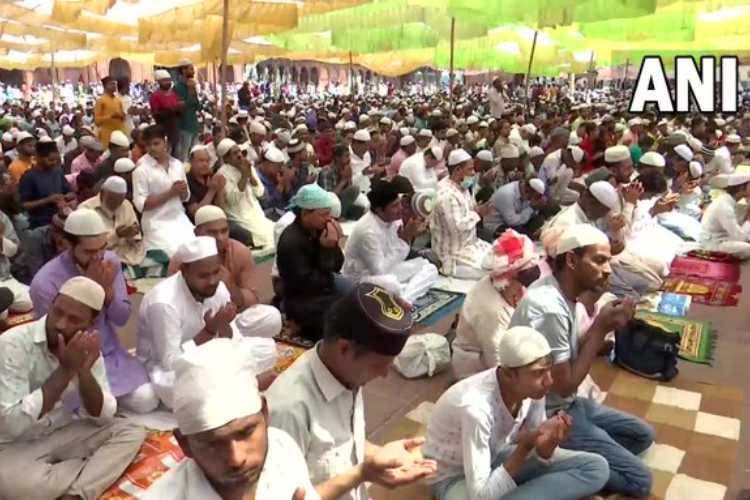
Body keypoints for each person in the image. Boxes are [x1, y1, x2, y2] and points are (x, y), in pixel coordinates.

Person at [510, 224, 655, 498]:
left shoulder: (564, 294)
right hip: (551, 413)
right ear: (572, 260)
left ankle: (570, 453)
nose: (608, 269)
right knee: (640, 480)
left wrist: (600, 319)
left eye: (608, 261)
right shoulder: (549, 308)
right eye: (599, 260)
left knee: (643, 435)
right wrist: (601, 327)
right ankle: (557, 461)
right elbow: (563, 386)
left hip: (572, 403)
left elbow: (573, 354)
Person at [266, 283, 437, 500]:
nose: (385, 374)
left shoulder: (346, 374)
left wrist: (380, 455)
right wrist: (362, 474)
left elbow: (340, 444)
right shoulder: (288, 411)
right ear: (344, 348)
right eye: (378, 365)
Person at [0, 276, 147, 499]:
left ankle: (75, 493)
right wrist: (66, 371)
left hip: (64, 430)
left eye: (73, 319)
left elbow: (104, 416)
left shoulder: (84, 345)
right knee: (9, 484)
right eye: (58, 312)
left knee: (131, 431)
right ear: (51, 305)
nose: (60, 324)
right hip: (16, 445)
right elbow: (12, 424)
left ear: (92, 323)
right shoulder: (12, 343)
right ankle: (88, 474)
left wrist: (83, 372)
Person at [425, 326, 609, 500]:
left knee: (596, 468)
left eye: (548, 371)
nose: (549, 381)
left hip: (496, 456)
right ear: (508, 375)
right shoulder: (476, 409)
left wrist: (546, 449)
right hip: (454, 478)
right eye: (538, 373)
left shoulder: (534, 390)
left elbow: (537, 443)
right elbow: (481, 496)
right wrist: (525, 449)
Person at [141, 339, 319, 500]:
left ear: (265, 414)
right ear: (184, 444)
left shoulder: (282, 448)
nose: (236, 459)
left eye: (246, 432)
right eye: (212, 443)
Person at [31, 208, 158, 413]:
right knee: (101, 410)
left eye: (102, 248)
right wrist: (90, 291)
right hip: (71, 363)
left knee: (147, 401)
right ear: (68, 245)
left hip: (109, 354)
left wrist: (107, 294)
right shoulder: (44, 283)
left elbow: (121, 319)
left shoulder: (110, 262)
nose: (98, 257)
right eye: (89, 251)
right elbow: (55, 339)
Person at [137, 236, 276, 408]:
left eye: (216, 272)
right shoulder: (163, 303)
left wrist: (224, 326)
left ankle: (229, 386)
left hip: (210, 352)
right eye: (203, 276)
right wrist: (208, 332)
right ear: (184, 271)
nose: (212, 281)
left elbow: (234, 341)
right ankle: (244, 384)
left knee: (267, 348)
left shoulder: (217, 287)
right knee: (180, 385)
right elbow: (170, 363)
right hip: (169, 367)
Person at [168, 205, 282, 339]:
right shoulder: (183, 259)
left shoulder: (240, 252)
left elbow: (252, 301)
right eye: (212, 232)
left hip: (231, 316)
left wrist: (229, 285)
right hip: (196, 320)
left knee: (271, 316)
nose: (220, 238)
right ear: (197, 233)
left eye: (224, 231)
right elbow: (173, 303)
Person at [451, 230, 541, 380]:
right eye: (524, 278)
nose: (525, 287)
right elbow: (497, 360)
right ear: (508, 280)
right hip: (477, 369)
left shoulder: (499, 287)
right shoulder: (492, 311)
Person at [342, 179, 438, 302]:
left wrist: (406, 237)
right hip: (362, 278)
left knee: (428, 267)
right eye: (394, 206)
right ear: (379, 210)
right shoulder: (367, 231)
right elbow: (379, 271)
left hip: (386, 269)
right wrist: (404, 239)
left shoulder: (393, 220)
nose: (400, 209)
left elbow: (395, 256)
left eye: (399, 204)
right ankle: (403, 294)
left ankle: (405, 299)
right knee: (391, 283)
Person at [277, 183, 351, 340]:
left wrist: (333, 245)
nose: (328, 219)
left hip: (323, 286)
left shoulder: (319, 229)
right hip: (301, 298)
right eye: (323, 214)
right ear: (305, 214)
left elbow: (337, 266)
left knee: (356, 297)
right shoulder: (291, 241)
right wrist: (325, 249)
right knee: (342, 314)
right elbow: (307, 284)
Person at [132, 124, 195, 258]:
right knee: (174, 253)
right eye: (148, 145)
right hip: (156, 222)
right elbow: (141, 205)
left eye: (156, 143)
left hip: (179, 218)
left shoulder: (177, 165)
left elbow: (185, 198)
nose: (152, 148)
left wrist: (182, 191)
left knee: (195, 249)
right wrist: (170, 193)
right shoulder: (141, 170)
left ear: (165, 142)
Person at [431, 148, 492, 278]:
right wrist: (478, 213)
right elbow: (457, 228)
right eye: (470, 169)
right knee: (492, 272)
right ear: (458, 170)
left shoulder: (462, 186)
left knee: (501, 259)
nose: (474, 173)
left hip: (471, 244)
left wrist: (478, 209)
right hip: (452, 253)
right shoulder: (446, 194)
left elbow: (471, 209)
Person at [215, 138, 274, 249]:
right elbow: (232, 201)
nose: (240, 155)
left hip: (255, 211)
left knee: (275, 231)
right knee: (263, 237)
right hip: (239, 216)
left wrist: (250, 175)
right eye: (235, 153)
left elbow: (260, 193)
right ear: (226, 158)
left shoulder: (246, 166)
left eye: (240, 152)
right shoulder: (221, 175)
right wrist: (244, 176)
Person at [79, 176, 145, 267]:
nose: (117, 205)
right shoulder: (85, 210)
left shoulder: (126, 204)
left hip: (131, 257)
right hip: (101, 261)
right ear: (102, 193)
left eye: (120, 201)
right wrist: (117, 235)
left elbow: (137, 238)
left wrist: (132, 234)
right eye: (113, 201)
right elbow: (90, 248)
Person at [19, 140, 75, 229]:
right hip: (41, 223)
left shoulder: (57, 171)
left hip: (61, 218)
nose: (54, 163)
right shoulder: (29, 177)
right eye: (51, 160)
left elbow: (71, 193)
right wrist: (48, 200)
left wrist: (64, 198)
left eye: (56, 160)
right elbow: (23, 205)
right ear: (38, 158)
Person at [11, 210, 69, 285]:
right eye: (61, 233)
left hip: (52, 274)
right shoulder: (36, 237)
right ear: (52, 229)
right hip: (25, 273)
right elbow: (35, 272)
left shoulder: (73, 240)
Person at [700, 173, 750, 258]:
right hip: (712, 243)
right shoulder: (724, 206)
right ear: (742, 188)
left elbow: (737, 228)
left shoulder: (727, 201)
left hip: (722, 237)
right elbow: (739, 237)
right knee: (747, 248)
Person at [318, 144, 366, 220]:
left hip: (341, 202)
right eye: (346, 156)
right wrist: (343, 181)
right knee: (354, 189)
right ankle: (337, 216)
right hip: (328, 206)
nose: (349, 159)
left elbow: (349, 195)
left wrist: (349, 178)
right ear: (337, 158)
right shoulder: (326, 172)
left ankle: (342, 214)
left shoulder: (345, 169)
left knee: (362, 210)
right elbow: (328, 198)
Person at [0, 208, 32, 313]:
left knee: (30, 300)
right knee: (2, 313)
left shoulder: (1, 216)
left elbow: (13, 251)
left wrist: (1, 239)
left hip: (4, 277)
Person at [149, 69, 182, 153]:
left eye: (169, 80)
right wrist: (170, 110)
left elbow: (178, 112)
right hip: (164, 130)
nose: (168, 82)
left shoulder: (174, 94)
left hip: (175, 130)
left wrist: (179, 109)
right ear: (159, 82)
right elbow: (156, 114)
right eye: (165, 80)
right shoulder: (155, 96)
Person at [174, 63, 200, 162]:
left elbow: (197, 106)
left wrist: (192, 90)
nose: (193, 71)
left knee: (195, 154)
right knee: (183, 156)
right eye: (191, 69)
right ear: (183, 70)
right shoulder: (177, 87)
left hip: (194, 125)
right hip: (184, 125)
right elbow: (181, 107)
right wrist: (189, 91)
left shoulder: (192, 86)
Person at [94, 76, 126, 148]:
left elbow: (123, 117)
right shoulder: (100, 101)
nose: (115, 86)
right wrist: (111, 116)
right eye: (112, 84)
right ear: (105, 86)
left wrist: (122, 116)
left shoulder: (118, 100)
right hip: (107, 135)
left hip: (119, 133)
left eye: (115, 84)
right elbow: (97, 121)